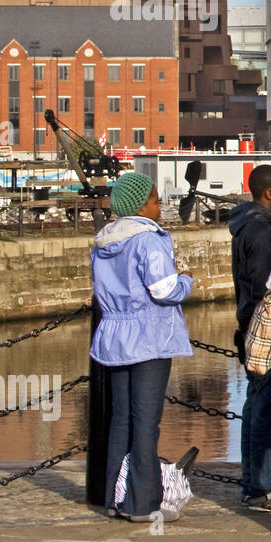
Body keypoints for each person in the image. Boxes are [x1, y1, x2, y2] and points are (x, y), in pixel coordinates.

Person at [90, 171, 193, 522]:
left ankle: (114, 497)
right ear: (140, 205)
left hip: (115, 336)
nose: (158, 205)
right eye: (153, 199)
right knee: (147, 422)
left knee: (122, 419)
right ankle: (143, 503)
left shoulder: (103, 241)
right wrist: (187, 283)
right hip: (149, 338)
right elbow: (164, 290)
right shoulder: (149, 240)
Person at [228, 164, 271, 514]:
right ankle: (261, 489)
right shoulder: (262, 232)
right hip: (264, 332)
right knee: (266, 411)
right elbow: (263, 286)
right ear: (268, 192)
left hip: (248, 325)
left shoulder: (246, 225)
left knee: (255, 407)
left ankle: (254, 485)